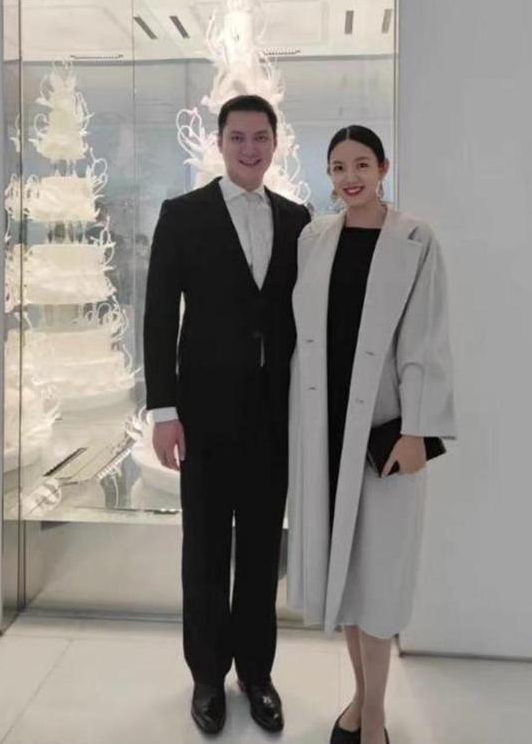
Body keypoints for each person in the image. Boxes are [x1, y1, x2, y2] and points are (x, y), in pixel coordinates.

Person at [143, 94, 310, 735]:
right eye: (237, 137)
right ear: (219, 143)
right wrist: (164, 410)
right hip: (204, 416)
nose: (249, 148)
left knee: (263, 550)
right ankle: (208, 677)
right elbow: (160, 317)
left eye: (260, 137)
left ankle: (257, 674)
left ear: (275, 143)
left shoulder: (297, 219)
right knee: (206, 549)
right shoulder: (183, 215)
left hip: (272, 417)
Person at [287, 125, 457, 744]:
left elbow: (425, 341)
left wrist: (416, 431)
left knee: (379, 575)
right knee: (346, 577)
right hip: (324, 426)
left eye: (362, 164)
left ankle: (376, 715)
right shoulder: (314, 238)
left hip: (384, 429)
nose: (349, 177)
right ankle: (360, 699)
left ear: (383, 168)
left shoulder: (415, 239)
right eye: (338, 167)